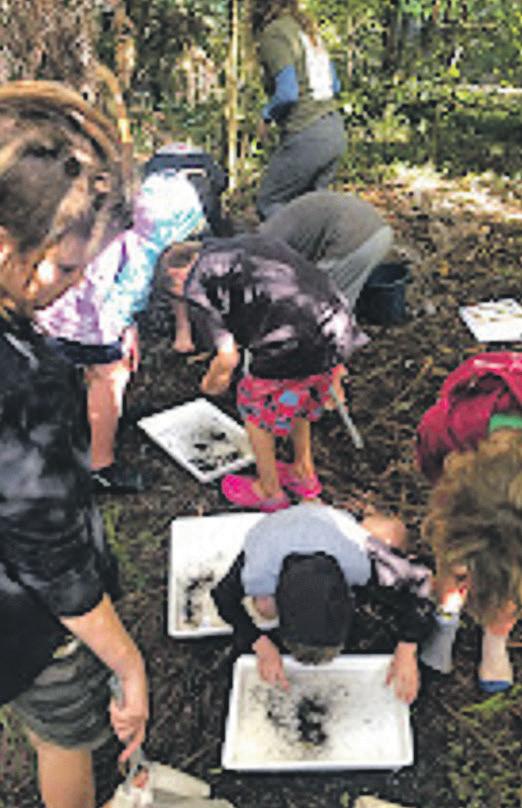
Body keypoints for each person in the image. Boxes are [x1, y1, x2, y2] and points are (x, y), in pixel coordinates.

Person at [0, 81, 148, 808]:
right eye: (63, 266)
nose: (75, 284)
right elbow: (49, 554)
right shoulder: (24, 379)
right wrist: (126, 662)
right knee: (64, 734)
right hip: (27, 618)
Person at [35, 163, 206, 493]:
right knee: (110, 375)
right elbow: (130, 288)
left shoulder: (104, 212)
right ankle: (100, 465)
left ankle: (67, 431)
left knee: (59, 371)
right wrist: (123, 329)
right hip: (89, 317)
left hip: (51, 303)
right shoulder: (148, 236)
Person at [167, 233, 362, 512]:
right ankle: (302, 472)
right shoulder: (242, 244)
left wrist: (210, 385)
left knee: (253, 405)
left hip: (293, 345)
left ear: (176, 275)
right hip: (336, 328)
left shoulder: (198, 282)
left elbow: (227, 357)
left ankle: (269, 491)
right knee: (301, 396)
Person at [211, 502, 435, 704]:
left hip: (330, 524)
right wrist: (259, 643)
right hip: (277, 529)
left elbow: (424, 578)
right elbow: (222, 597)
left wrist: (407, 647)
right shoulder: (259, 567)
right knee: (265, 609)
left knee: (393, 533)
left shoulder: (363, 560)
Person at [416, 351, 522, 692]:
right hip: (463, 479)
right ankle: (446, 616)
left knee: (507, 577)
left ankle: (495, 634)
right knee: (456, 556)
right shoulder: (452, 427)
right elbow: (430, 464)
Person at [252, 0, 347, 221]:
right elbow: (335, 85)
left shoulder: (275, 33)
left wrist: (266, 116)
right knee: (311, 211)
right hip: (334, 130)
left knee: (270, 201)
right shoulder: (307, 30)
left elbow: (288, 93)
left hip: (308, 132)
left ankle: (282, 243)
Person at [143, 141, 228, 354]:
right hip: (195, 219)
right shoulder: (204, 163)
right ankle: (212, 332)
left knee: (175, 270)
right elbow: (219, 188)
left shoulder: (155, 168)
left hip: (172, 222)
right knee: (201, 267)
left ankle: (185, 332)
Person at [259, 190, 393, 310]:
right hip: (379, 231)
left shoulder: (267, 241)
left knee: (323, 303)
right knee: (338, 298)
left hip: (355, 239)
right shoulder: (279, 224)